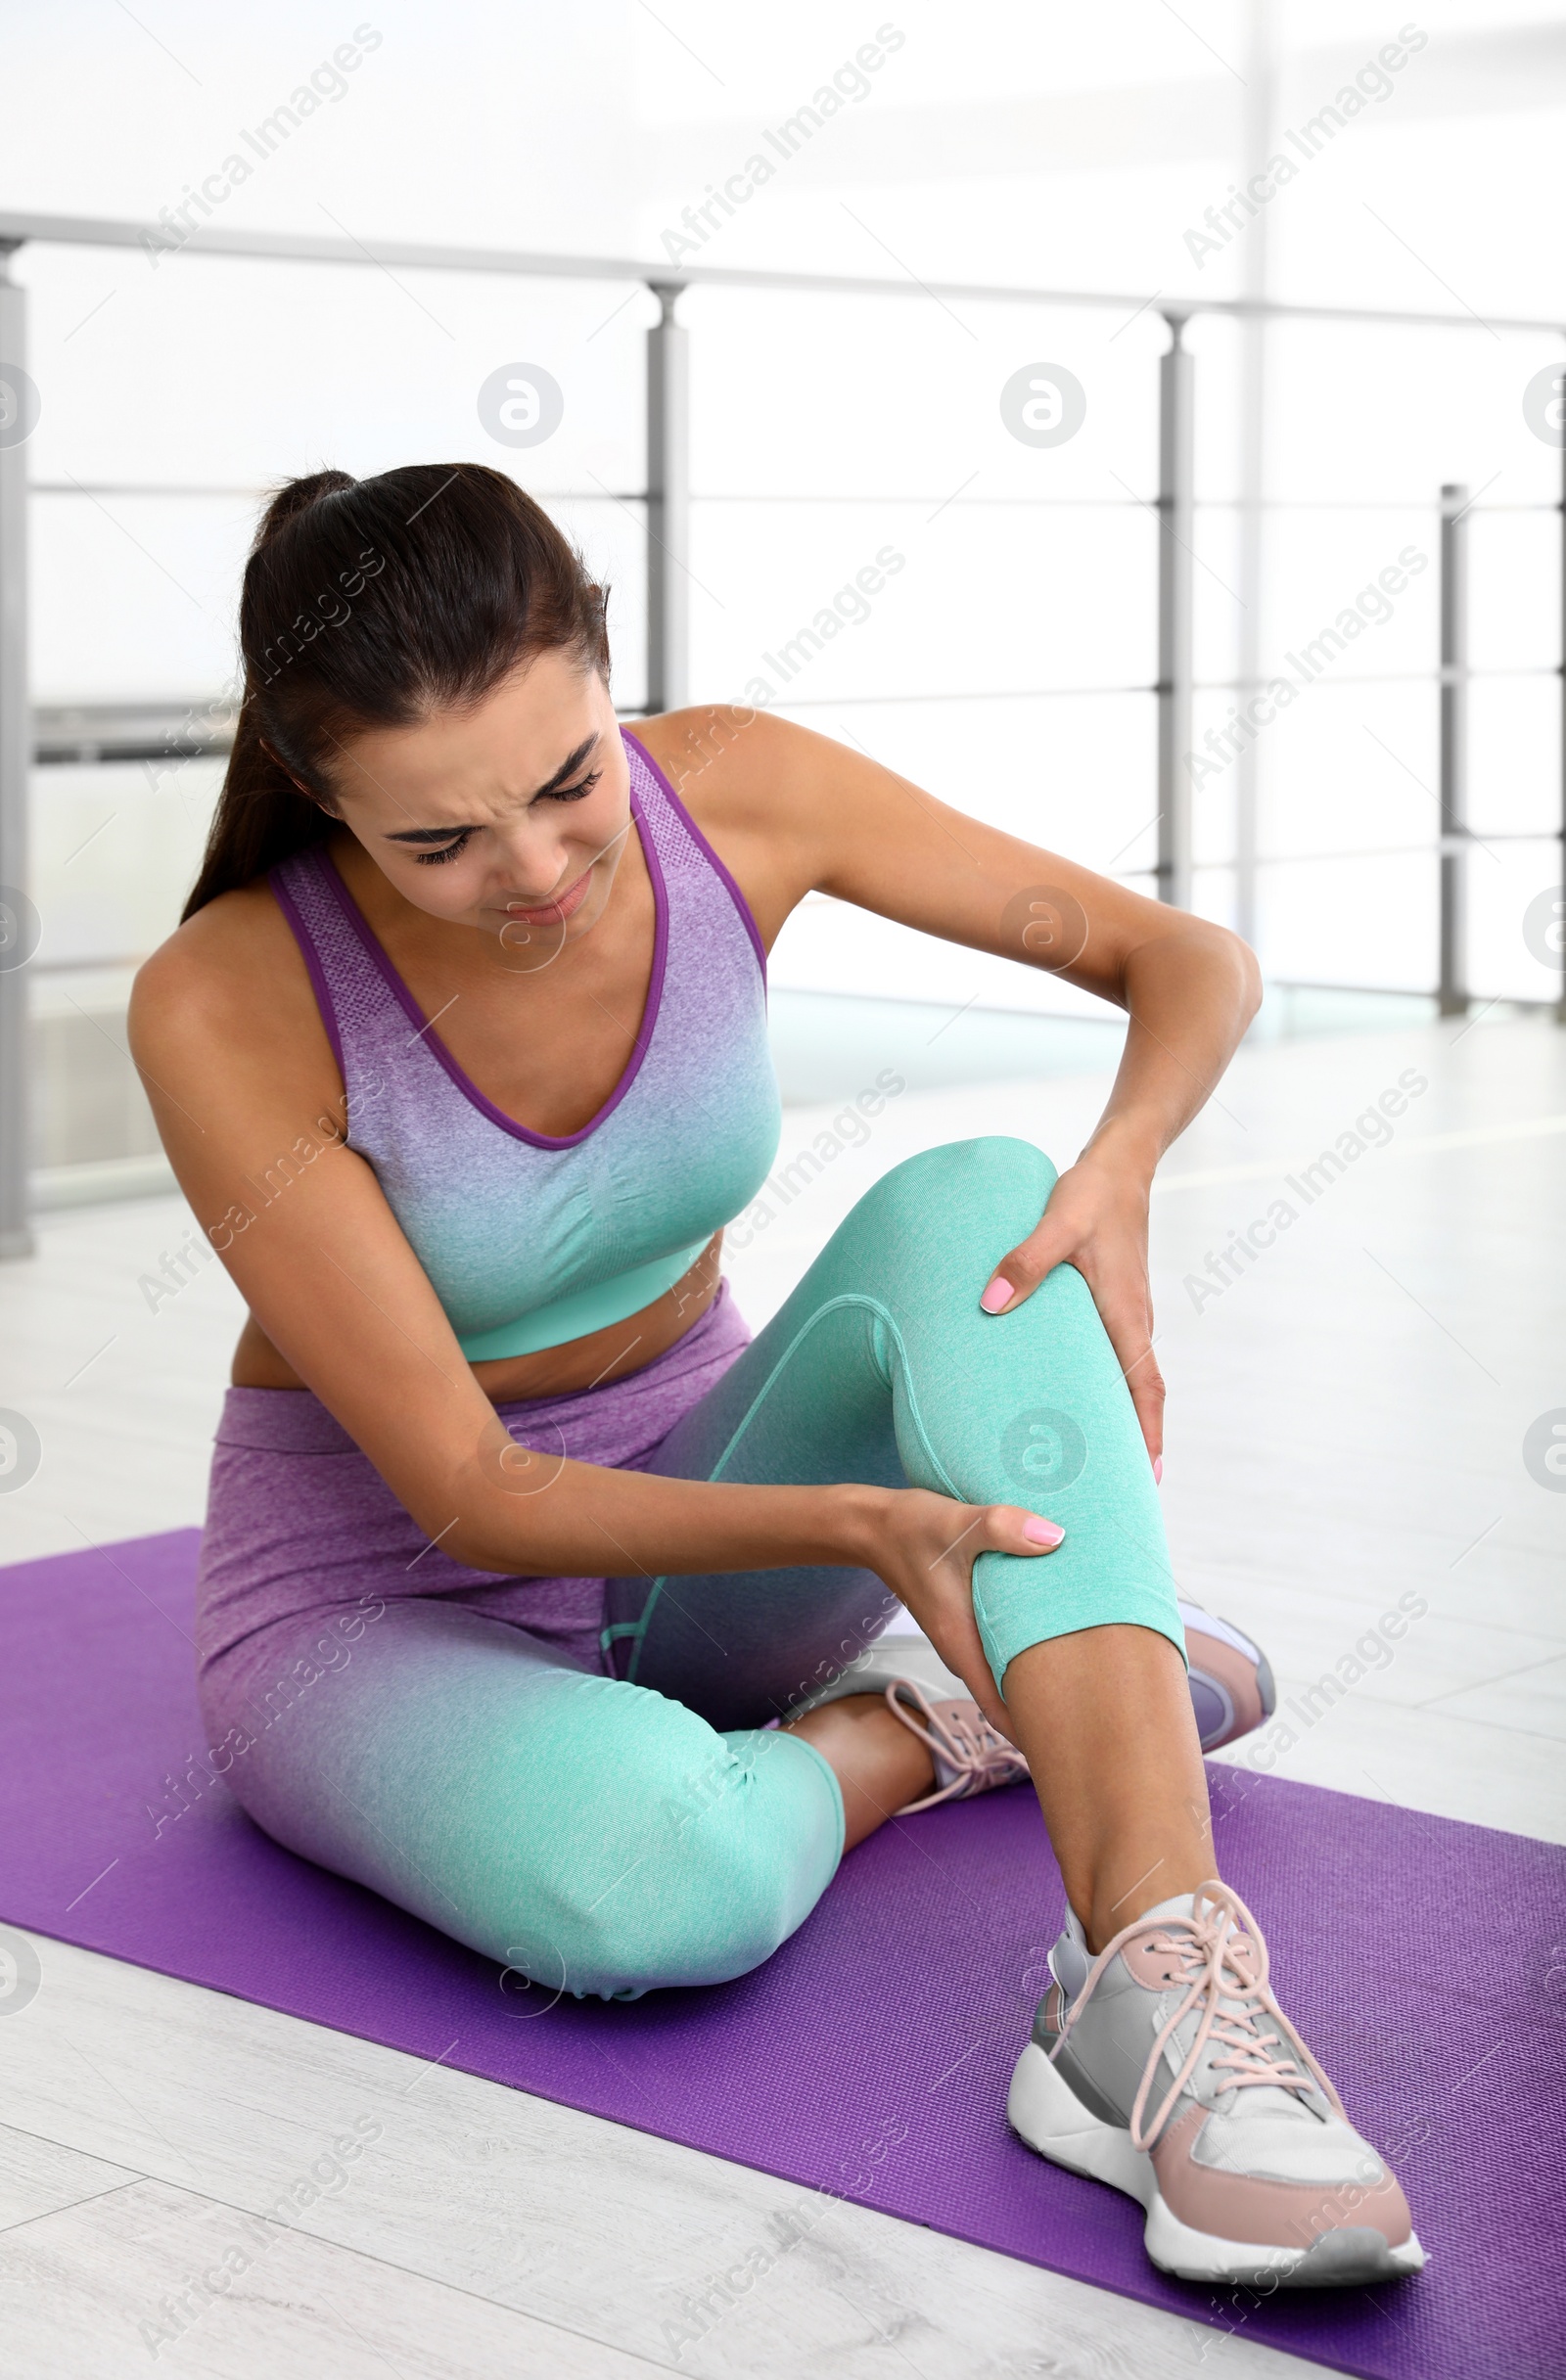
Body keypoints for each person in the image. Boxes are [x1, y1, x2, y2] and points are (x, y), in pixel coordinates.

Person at [130, 464, 1423, 2290]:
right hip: (381, 1607)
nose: (540, 873)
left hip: (706, 1543)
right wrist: (869, 1523)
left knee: (987, 1201)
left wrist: (1118, 1173)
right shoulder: (226, 999)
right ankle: (917, 1725)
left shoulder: (735, 787)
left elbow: (1179, 958)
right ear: (322, 799)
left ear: (605, 671)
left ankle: (1146, 1987)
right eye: (439, 845)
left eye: (572, 780)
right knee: (669, 1888)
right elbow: (470, 1490)